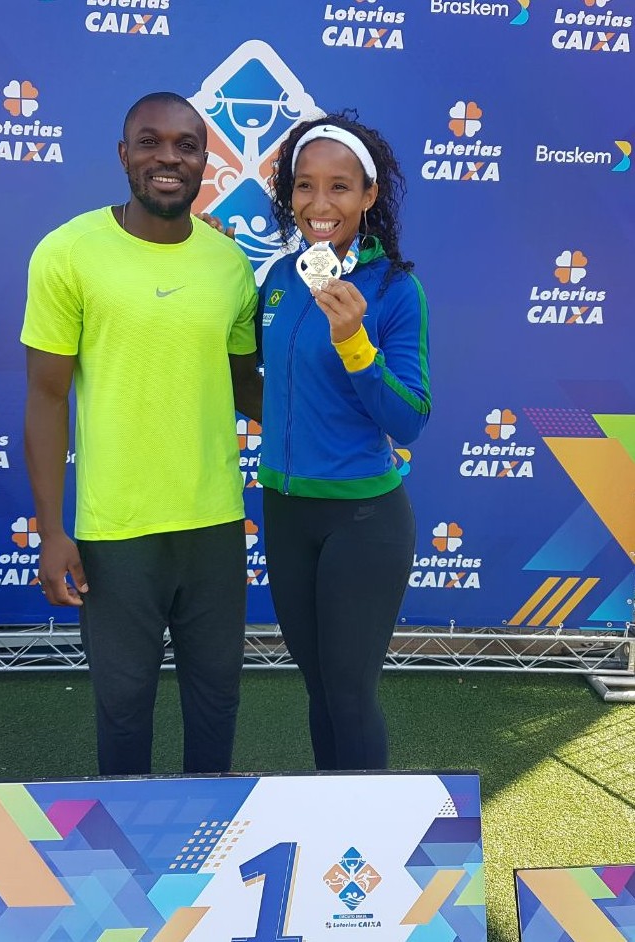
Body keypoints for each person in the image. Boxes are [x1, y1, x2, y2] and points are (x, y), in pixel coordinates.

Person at [22, 92, 262, 777]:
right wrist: (52, 532)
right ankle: (121, 845)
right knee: (124, 709)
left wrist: (345, 415)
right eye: (150, 142)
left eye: (186, 145)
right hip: (115, 531)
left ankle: (212, 837)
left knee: (216, 703)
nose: (168, 157)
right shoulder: (68, 253)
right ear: (124, 154)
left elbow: (247, 387)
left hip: (214, 524)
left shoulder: (229, 264)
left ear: (206, 161)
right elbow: (45, 398)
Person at [257, 112, 431, 771]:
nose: (319, 204)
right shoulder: (280, 278)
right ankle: (334, 819)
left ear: (368, 195)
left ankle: (369, 831)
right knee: (319, 688)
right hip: (286, 511)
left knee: (351, 695)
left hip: (363, 519)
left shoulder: (394, 290)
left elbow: (409, 419)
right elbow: (264, 379)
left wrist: (355, 342)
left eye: (339, 187)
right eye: (304, 186)